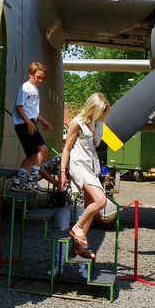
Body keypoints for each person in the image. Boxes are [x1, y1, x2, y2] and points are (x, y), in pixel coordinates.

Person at [59, 92, 110, 260]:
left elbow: (95, 147)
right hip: (78, 165)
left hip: (91, 165)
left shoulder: (99, 124)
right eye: (100, 111)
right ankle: (77, 227)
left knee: (91, 207)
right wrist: (62, 172)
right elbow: (66, 149)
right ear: (92, 108)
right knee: (101, 201)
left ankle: (78, 248)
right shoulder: (77, 123)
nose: (102, 116)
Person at [10, 62, 52, 191]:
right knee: (43, 149)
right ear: (31, 74)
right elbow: (19, 106)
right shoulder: (26, 87)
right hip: (24, 124)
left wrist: (43, 120)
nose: (40, 80)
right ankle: (32, 179)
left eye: (42, 78)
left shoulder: (34, 88)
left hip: (29, 122)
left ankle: (17, 182)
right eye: (38, 77)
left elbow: (32, 110)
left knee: (32, 155)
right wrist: (28, 122)